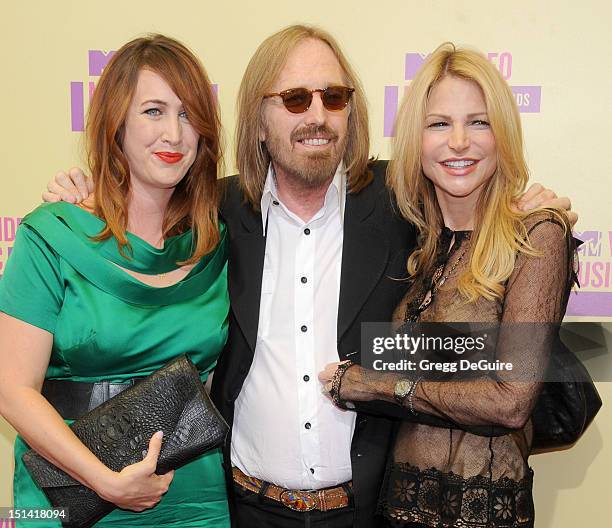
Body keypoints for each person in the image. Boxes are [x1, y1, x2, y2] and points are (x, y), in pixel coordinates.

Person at [42, 25, 575, 528]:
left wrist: (539, 212)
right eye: (295, 98)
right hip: (243, 506)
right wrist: (84, 198)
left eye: (333, 97)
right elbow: (141, 207)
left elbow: (473, 203)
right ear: (260, 117)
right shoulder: (219, 210)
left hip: (369, 508)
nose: (317, 114)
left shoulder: (401, 203)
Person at [318, 44, 577, 528]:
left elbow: (510, 401)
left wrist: (370, 384)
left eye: (478, 122)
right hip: (395, 508)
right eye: (439, 124)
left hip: (482, 514)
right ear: (416, 140)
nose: (459, 141)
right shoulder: (416, 243)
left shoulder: (537, 235)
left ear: (503, 134)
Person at [0, 35, 230, 527]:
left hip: (193, 495)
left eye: (188, 114)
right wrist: (104, 480)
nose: (173, 133)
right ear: (115, 124)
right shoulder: (53, 234)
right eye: (152, 111)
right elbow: (12, 389)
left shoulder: (216, 243)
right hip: (67, 491)